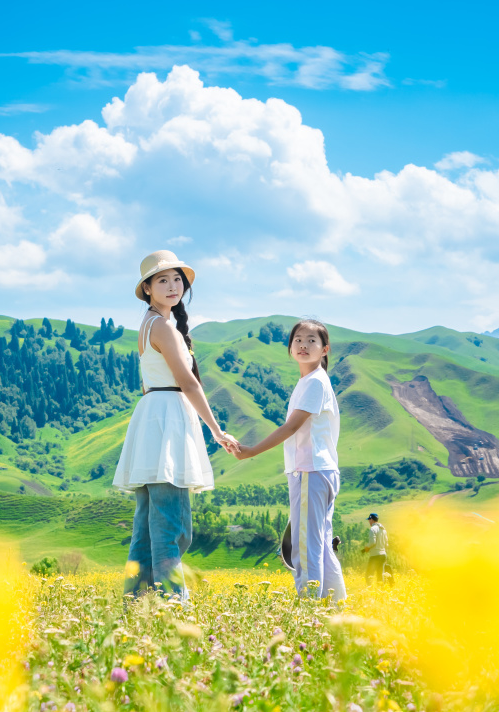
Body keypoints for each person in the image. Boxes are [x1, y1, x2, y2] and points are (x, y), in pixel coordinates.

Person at [114, 250, 239, 602]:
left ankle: (137, 603)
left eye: (177, 279)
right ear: (147, 288)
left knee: (147, 527)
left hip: (154, 416)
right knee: (173, 526)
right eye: (162, 280)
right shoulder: (163, 326)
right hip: (167, 418)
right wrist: (217, 430)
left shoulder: (149, 324)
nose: (172, 286)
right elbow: (188, 382)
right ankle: (171, 605)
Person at [231, 320, 345, 602]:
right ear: (290, 348)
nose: (303, 345)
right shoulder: (311, 381)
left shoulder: (315, 382)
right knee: (320, 545)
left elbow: (291, 427)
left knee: (305, 547)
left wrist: (251, 451)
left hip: (310, 470)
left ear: (325, 349)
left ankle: (309, 610)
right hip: (320, 470)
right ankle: (334, 609)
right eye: (298, 340)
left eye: (311, 340)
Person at [363, 512, 388, 584]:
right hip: (383, 555)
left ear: (372, 519)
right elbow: (386, 544)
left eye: (369, 520)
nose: (369, 521)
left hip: (375, 555)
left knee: (369, 575)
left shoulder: (372, 529)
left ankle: (369, 589)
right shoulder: (383, 529)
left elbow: (373, 542)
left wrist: (367, 547)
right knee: (380, 575)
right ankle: (381, 589)